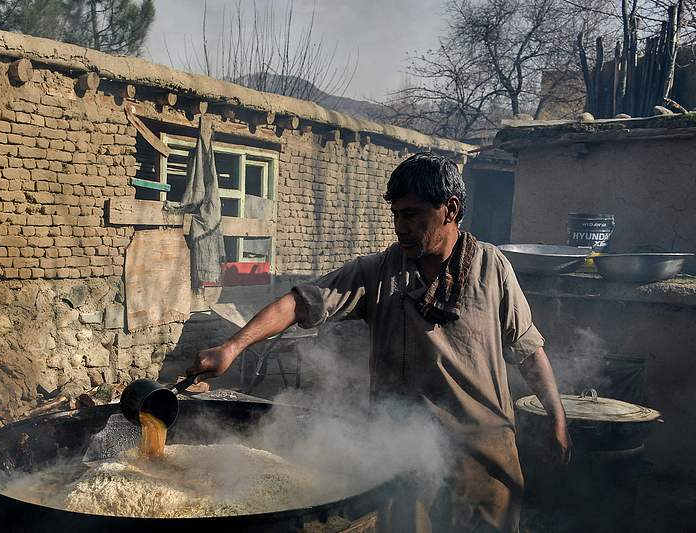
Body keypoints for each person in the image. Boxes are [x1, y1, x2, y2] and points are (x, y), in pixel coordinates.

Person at [187, 153, 571, 532]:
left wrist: (556, 417)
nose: (399, 227)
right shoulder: (379, 272)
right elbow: (299, 302)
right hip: (401, 454)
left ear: (450, 209)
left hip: (483, 455)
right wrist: (233, 347)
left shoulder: (493, 268)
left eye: (412, 215)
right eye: (396, 215)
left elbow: (528, 351)